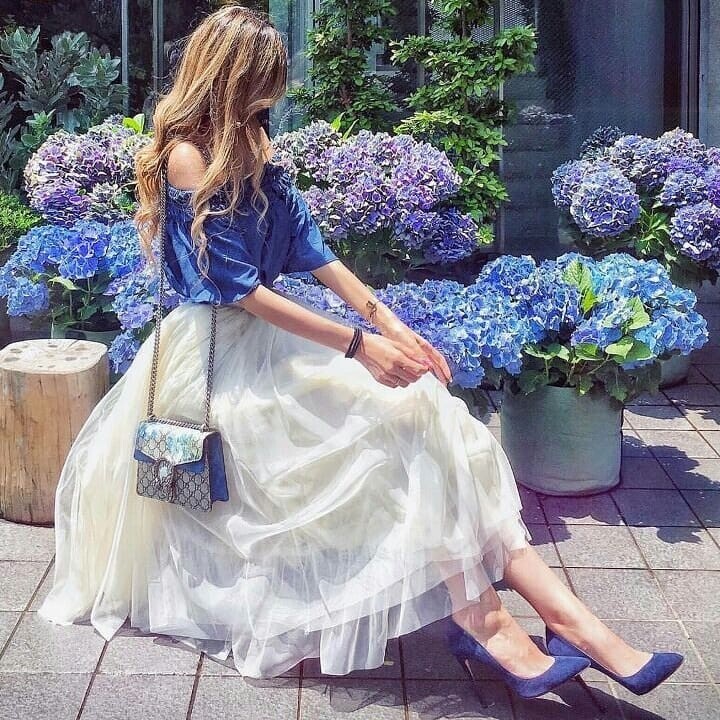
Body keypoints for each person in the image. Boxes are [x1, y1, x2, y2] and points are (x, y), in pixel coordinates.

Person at [38, 4, 683, 698]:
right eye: (266, 79)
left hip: (274, 342)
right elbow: (241, 290)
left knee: (429, 412)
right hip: (217, 358)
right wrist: (358, 345)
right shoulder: (188, 156)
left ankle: (563, 619)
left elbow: (313, 249)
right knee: (396, 427)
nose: (277, 91)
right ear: (231, 77)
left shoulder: (254, 139)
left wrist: (391, 326)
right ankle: (492, 621)